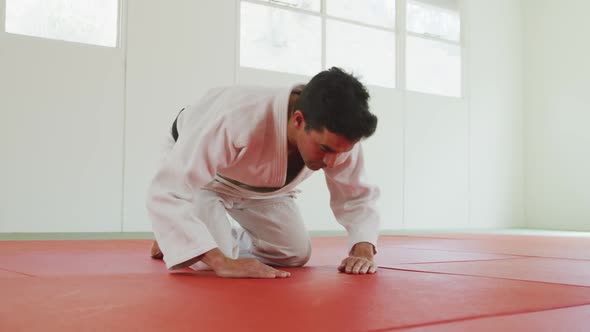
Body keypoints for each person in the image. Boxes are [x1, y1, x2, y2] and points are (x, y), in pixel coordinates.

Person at [146, 67, 380, 278]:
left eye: (341, 152)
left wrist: (363, 249)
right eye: (324, 150)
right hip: (208, 181)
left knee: (294, 254)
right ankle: (179, 233)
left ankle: (191, 234)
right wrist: (221, 260)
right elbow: (168, 191)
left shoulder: (339, 135)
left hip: (264, 189)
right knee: (208, 263)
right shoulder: (235, 115)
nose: (332, 162)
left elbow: (355, 195)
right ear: (299, 120)